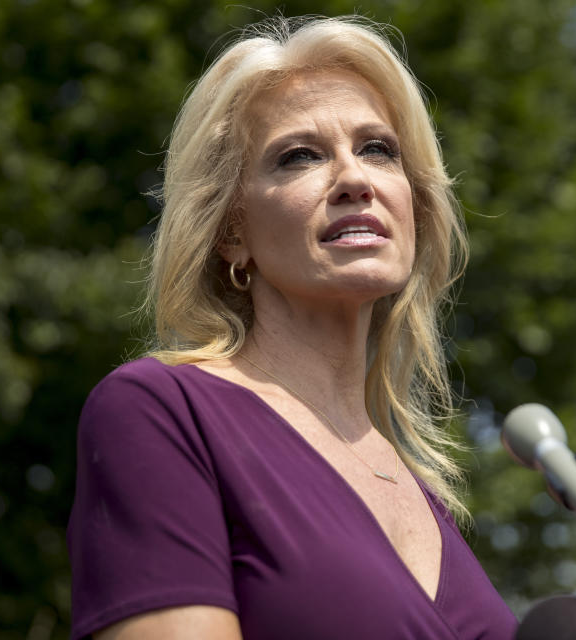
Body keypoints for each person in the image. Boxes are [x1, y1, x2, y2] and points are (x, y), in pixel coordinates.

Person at [67, 15, 519, 640]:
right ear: (231, 233)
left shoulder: (418, 483)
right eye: (300, 156)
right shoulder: (162, 411)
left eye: (378, 149)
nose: (355, 179)